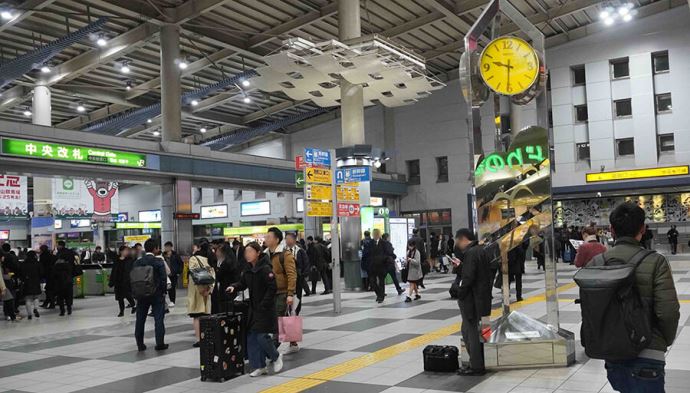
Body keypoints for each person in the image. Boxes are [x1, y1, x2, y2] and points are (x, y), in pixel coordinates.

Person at [596, 202, 679, 392]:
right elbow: (668, 312)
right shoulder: (656, 261)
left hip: (613, 352)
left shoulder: (596, 262)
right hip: (649, 353)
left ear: (611, 230)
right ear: (643, 228)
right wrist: (662, 341)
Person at [226, 242, 283, 377]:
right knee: (252, 337)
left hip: (265, 309)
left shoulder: (265, 269)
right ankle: (259, 366)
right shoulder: (248, 269)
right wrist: (234, 286)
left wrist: (264, 304)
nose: (247, 255)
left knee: (262, 336)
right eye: (246, 252)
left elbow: (272, 288)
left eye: (251, 252)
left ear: (258, 253)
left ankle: (276, 356)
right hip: (253, 309)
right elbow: (243, 283)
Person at [453, 229, 491, 376]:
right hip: (481, 298)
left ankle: (476, 366)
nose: (458, 246)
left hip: (471, 300)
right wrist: (461, 267)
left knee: (471, 333)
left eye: (458, 242)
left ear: (463, 239)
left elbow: (468, 278)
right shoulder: (481, 251)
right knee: (469, 330)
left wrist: (459, 292)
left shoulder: (470, 253)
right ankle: (477, 363)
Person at [263, 227, 297, 351]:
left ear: (277, 239)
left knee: (278, 319)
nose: (266, 239)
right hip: (270, 292)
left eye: (268, 237)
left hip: (282, 292)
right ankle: (293, 343)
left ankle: (272, 350)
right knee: (282, 318)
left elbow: (292, 274)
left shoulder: (285, 254)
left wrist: (290, 293)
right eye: (265, 237)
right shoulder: (265, 255)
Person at [133, 239, 168, 351]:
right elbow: (163, 279)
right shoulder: (158, 261)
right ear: (155, 249)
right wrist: (163, 292)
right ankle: (159, 343)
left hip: (141, 294)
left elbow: (133, 279)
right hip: (156, 294)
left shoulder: (137, 262)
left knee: (140, 319)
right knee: (158, 319)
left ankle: (140, 344)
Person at [188, 242, 215, 347]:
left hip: (196, 291)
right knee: (206, 315)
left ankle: (199, 339)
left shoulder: (194, 258)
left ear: (198, 247)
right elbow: (213, 274)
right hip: (207, 290)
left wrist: (201, 289)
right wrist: (209, 289)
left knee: (196, 316)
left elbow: (194, 274)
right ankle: (207, 337)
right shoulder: (210, 257)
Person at [214, 242, 241, 313]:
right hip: (232, 288)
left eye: (217, 251)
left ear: (222, 252)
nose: (216, 253)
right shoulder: (232, 260)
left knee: (225, 309)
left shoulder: (225, 263)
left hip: (226, 289)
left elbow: (219, 276)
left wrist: (218, 269)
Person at [369, 229, 395, 303]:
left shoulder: (384, 243)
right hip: (373, 266)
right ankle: (379, 294)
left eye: (376, 234)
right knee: (372, 282)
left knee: (381, 282)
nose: (375, 236)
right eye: (374, 234)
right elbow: (368, 254)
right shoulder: (370, 243)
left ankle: (381, 297)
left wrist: (384, 259)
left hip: (382, 265)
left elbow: (389, 253)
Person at [109, 246, 136, 317]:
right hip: (118, 281)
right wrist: (111, 281)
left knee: (128, 295)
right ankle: (121, 311)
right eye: (125, 251)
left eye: (127, 251)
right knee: (119, 297)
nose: (126, 252)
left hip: (126, 280)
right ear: (121, 251)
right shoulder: (116, 260)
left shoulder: (130, 259)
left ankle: (133, 305)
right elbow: (113, 271)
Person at [285, 232, 309, 311]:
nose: (288, 241)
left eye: (289, 239)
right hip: (287, 278)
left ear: (295, 240)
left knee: (298, 296)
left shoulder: (300, 251)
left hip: (298, 278)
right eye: (286, 239)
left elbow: (306, 263)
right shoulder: (283, 251)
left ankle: (296, 312)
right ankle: (288, 312)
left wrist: (303, 275)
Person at [53, 241, 76, 316]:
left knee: (60, 296)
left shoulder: (57, 265)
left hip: (60, 282)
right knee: (68, 295)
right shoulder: (69, 265)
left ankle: (62, 311)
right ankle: (69, 309)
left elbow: (54, 274)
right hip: (68, 280)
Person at [19, 251, 42, 319]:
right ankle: (35, 308)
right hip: (36, 281)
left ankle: (29, 314)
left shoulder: (23, 264)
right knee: (36, 297)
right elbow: (41, 272)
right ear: (34, 256)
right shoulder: (38, 263)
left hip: (27, 282)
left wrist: (24, 279)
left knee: (28, 299)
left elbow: (21, 273)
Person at [163, 241, 183, 306]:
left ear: (171, 247)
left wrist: (179, 272)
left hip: (173, 274)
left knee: (172, 287)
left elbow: (181, 263)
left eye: (168, 247)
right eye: (165, 247)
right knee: (167, 287)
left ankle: (172, 301)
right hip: (166, 274)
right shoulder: (163, 255)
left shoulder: (175, 255)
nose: (166, 248)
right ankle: (166, 301)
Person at [39, 245, 56, 309]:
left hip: (47, 274)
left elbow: (41, 265)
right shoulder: (52, 256)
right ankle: (47, 302)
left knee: (48, 289)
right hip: (53, 274)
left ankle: (51, 303)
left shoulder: (42, 256)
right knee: (49, 288)